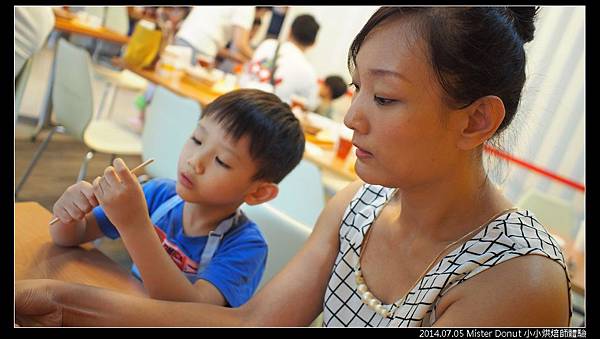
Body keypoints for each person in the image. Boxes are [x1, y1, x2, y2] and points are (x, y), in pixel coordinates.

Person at [15, 7, 572, 327]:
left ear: (476, 121)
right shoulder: (358, 206)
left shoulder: (517, 279)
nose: (352, 116)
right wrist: (60, 298)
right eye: (357, 89)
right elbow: (251, 324)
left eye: (384, 98)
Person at [44, 89, 305, 308]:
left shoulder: (246, 248)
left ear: (259, 192)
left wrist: (134, 225)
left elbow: (191, 314)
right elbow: (69, 237)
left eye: (221, 161)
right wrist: (70, 211)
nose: (195, 161)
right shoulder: (158, 194)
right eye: (197, 139)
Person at [241, 14, 321, 111]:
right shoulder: (309, 72)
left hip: (240, 102)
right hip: (269, 118)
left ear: (289, 31)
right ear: (313, 43)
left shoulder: (267, 44)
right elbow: (310, 105)